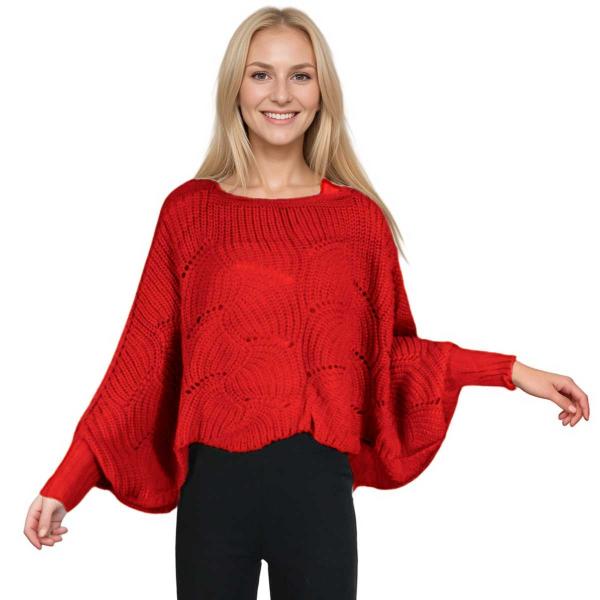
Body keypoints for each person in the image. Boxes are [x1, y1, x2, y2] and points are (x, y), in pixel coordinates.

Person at [24, 6, 590, 600]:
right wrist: (67, 482)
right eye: (260, 74)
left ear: (322, 93)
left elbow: (389, 358)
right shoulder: (189, 214)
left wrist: (510, 372)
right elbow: (142, 364)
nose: (281, 94)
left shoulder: (357, 221)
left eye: (300, 75)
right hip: (213, 495)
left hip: (317, 492)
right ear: (235, 87)